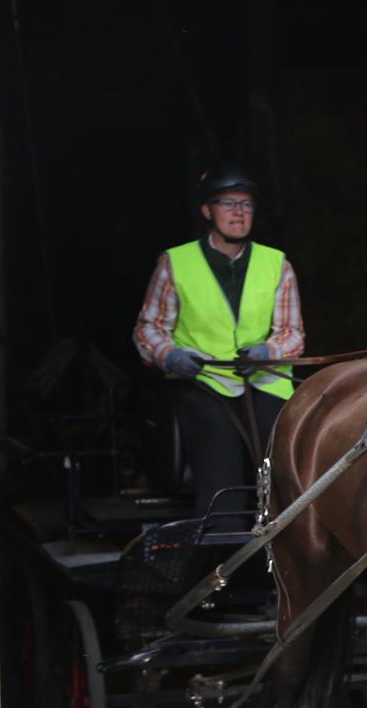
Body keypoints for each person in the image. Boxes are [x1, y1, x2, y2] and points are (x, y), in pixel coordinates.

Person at [133, 162, 305, 521]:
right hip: (205, 378)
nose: (238, 213)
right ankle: (220, 548)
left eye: (246, 204)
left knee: (286, 461)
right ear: (207, 211)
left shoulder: (277, 263)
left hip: (264, 378)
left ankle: (289, 536)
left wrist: (267, 351)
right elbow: (148, 328)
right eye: (228, 204)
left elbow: (292, 333)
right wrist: (170, 356)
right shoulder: (175, 263)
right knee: (217, 457)